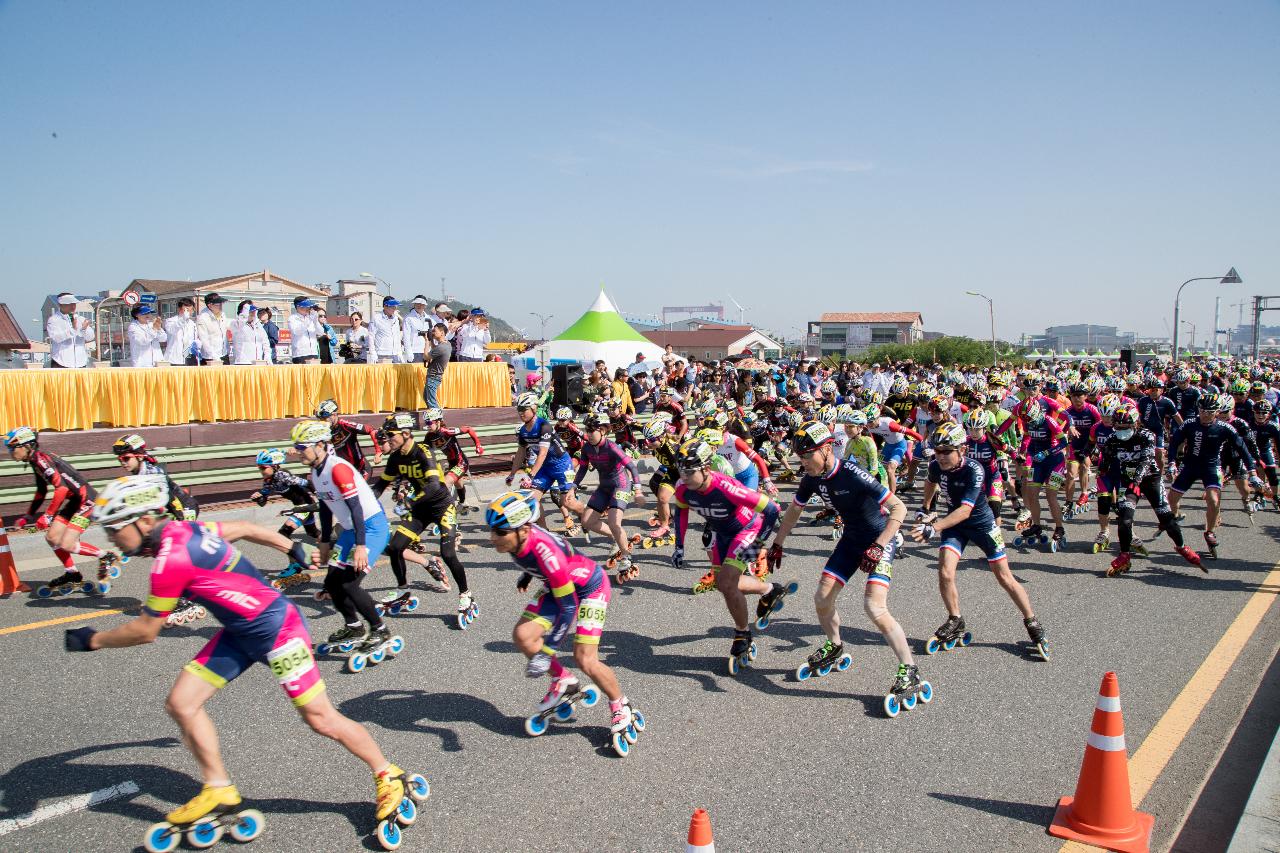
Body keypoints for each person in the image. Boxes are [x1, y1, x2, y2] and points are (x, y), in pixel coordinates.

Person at [63, 476, 419, 843]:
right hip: (240, 633)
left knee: (320, 718)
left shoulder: (171, 560)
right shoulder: (190, 529)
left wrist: (94, 640)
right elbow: (248, 528)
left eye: (114, 529)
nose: (111, 538)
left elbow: (145, 631)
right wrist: (290, 548)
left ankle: (387, 773)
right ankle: (218, 787)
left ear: (145, 521)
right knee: (182, 704)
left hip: (278, 632)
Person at [769, 421, 924, 707]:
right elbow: (793, 511)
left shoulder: (853, 474)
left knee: (874, 607)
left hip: (880, 538)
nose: (803, 463)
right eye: (800, 458)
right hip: (852, 539)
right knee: (822, 597)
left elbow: (899, 508)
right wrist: (778, 542)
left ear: (827, 449)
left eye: (807, 456)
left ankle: (909, 669)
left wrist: (879, 546)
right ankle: (835, 646)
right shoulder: (811, 477)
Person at [486, 490, 636, 736]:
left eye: (500, 532)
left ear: (523, 530)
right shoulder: (519, 539)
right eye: (492, 530)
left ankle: (620, 703)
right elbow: (546, 554)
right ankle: (563, 679)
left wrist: (546, 652)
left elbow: (568, 608)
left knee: (585, 658)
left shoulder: (546, 555)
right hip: (559, 583)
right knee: (523, 636)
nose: (493, 537)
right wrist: (527, 573)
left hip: (590, 588)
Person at [911, 422, 1049, 660]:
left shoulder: (974, 469)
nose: (941, 456)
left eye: (947, 451)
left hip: (982, 525)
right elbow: (930, 482)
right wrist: (926, 506)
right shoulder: (936, 465)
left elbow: (965, 511)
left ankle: (1032, 621)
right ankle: (955, 619)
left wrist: (933, 527)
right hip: (956, 526)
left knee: (1005, 578)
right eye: (938, 451)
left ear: (962, 450)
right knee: (945, 572)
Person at [670, 438, 788, 672]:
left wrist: (761, 543)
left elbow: (772, 509)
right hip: (722, 533)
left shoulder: (726, 487)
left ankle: (742, 634)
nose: (683, 476)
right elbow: (680, 515)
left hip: (746, 529)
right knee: (723, 584)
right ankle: (769, 590)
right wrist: (679, 546)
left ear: (705, 468)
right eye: (680, 471)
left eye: (689, 471)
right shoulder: (683, 489)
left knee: (726, 581)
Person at [291, 420, 394, 653]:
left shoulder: (338, 468)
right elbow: (326, 507)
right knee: (331, 582)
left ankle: (379, 629)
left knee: (350, 583)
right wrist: (325, 541)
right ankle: (354, 626)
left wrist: (360, 546)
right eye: (296, 447)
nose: (298, 452)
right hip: (349, 530)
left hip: (371, 529)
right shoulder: (316, 471)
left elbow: (356, 508)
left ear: (319, 444)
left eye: (301, 447)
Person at [371, 412, 475, 622]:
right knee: (395, 548)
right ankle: (402, 591)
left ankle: (466, 594)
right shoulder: (395, 457)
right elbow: (380, 486)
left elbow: (435, 486)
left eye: (391, 435)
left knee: (448, 554)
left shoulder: (423, 452)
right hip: (420, 508)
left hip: (441, 506)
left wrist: (409, 502)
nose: (388, 439)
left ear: (406, 433)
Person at [5, 426, 118, 593]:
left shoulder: (41, 460)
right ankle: (72, 572)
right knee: (51, 537)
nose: (10, 452)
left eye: (12, 448)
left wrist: (48, 516)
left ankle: (105, 556)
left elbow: (61, 489)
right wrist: (27, 516)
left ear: (25, 446)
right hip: (75, 502)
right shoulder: (35, 460)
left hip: (87, 501)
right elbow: (41, 491)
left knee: (67, 543)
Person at [1099, 403, 1202, 576]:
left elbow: (1146, 460)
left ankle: (1182, 546)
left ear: (1135, 424)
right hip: (1129, 481)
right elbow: (1106, 463)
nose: (1121, 431)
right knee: (1124, 519)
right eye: (1118, 427)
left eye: (1126, 427)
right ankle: (1124, 554)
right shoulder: (1112, 439)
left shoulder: (1146, 435)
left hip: (1150, 479)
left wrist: (1137, 480)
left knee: (1167, 520)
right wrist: (1102, 478)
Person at [1168, 392, 1253, 558]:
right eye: (1202, 411)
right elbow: (1174, 442)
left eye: (1210, 412)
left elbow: (1242, 448)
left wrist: (1252, 471)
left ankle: (1210, 532)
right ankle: (1175, 518)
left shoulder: (1225, 427)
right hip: (1190, 466)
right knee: (1171, 498)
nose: (1205, 415)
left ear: (1217, 412)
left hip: (1211, 467)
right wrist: (1172, 462)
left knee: (1213, 500)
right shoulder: (1189, 424)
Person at [566, 413, 644, 583]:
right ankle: (620, 538)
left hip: (620, 485)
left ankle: (626, 558)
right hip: (604, 487)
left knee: (614, 522)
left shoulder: (612, 447)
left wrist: (638, 490)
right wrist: (573, 487)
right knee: (587, 521)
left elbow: (631, 466)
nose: (587, 434)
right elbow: (582, 469)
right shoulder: (586, 448)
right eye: (586, 429)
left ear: (602, 430)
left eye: (591, 430)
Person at [508, 392, 576, 533]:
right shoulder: (522, 431)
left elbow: (543, 453)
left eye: (524, 409)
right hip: (546, 467)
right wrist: (512, 474)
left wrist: (531, 475)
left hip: (561, 465)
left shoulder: (544, 426)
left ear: (534, 408)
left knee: (565, 500)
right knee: (532, 498)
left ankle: (584, 516)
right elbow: (520, 453)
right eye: (518, 410)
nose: (521, 413)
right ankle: (545, 532)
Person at [420, 406, 485, 511]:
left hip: (461, 462)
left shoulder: (447, 431)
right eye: (426, 423)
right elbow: (423, 451)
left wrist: (478, 445)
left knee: (446, 483)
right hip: (452, 463)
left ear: (438, 422)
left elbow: (469, 429)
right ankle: (463, 502)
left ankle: (444, 511)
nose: (427, 425)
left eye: (429, 423)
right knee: (458, 483)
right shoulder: (429, 437)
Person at [314, 399, 385, 481]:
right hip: (342, 473)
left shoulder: (345, 425)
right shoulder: (323, 432)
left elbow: (371, 430)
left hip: (361, 470)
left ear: (334, 414)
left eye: (324, 418)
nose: (322, 422)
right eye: (320, 419)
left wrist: (378, 452)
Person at [47, 292, 95, 368]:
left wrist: (84, 329)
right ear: (60, 305)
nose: (73, 306)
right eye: (69, 304)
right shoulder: (54, 320)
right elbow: (56, 338)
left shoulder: (80, 319)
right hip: (61, 363)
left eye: (74, 303)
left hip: (80, 363)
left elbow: (91, 337)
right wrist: (72, 329)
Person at [231, 301, 271, 365]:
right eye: (250, 311)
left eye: (254, 310)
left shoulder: (258, 325)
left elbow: (265, 341)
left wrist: (267, 356)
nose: (253, 312)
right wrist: (245, 311)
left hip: (258, 362)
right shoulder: (236, 323)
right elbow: (241, 321)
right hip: (243, 363)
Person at [195, 293, 231, 365]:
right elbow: (204, 339)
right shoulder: (203, 318)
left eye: (221, 304)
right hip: (210, 357)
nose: (221, 306)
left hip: (224, 354)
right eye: (218, 304)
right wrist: (214, 356)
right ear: (210, 305)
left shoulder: (222, 315)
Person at [368, 296, 405, 363]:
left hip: (395, 354)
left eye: (395, 306)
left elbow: (397, 337)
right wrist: (373, 353)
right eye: (392, 306)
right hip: (382, 354)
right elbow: (371, 336)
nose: (394, 308)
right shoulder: (376, 318)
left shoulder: (396, 319)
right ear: (385, 306)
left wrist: (400, 353)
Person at [423, 323, 451, 410]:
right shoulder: (447, 344)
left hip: (433, 376)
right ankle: (435, 421)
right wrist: (431, 340)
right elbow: (435, 349)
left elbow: (426, 357)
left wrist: (427, 342)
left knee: (431, 402)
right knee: (427, 398)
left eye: (435, 331)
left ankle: (439, 420)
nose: (433, 333)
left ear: (442, 333)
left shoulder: (441, 347)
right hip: (435, 376)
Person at [288, 298, 323, 364]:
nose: (308, 308)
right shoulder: (292, 318)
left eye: (309, 307)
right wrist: (309, 320)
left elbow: (320, 332)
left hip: (313, 353)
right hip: (300, 354)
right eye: (305, 306)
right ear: (298, 307)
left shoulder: (310, 318)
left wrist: (315, 321)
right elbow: (296, 331)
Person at [164, 298, 198, 366]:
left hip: (189, 357)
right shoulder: (171, 321)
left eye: (191, 310)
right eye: (186, 310)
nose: (189, 312)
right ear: (179, 309)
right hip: (175, 358)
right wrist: (183, 319)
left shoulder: (192, 324)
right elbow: (172, 330)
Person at [403, 296, 433, 363]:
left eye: (422, 304)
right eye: (417, 303)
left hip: (427, 350)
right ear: (414, 304)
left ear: (425, 305)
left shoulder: (429, 318)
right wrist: (408, 351)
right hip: (414, 351)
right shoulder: (408, 318)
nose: (419, 305)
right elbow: (406, 336)